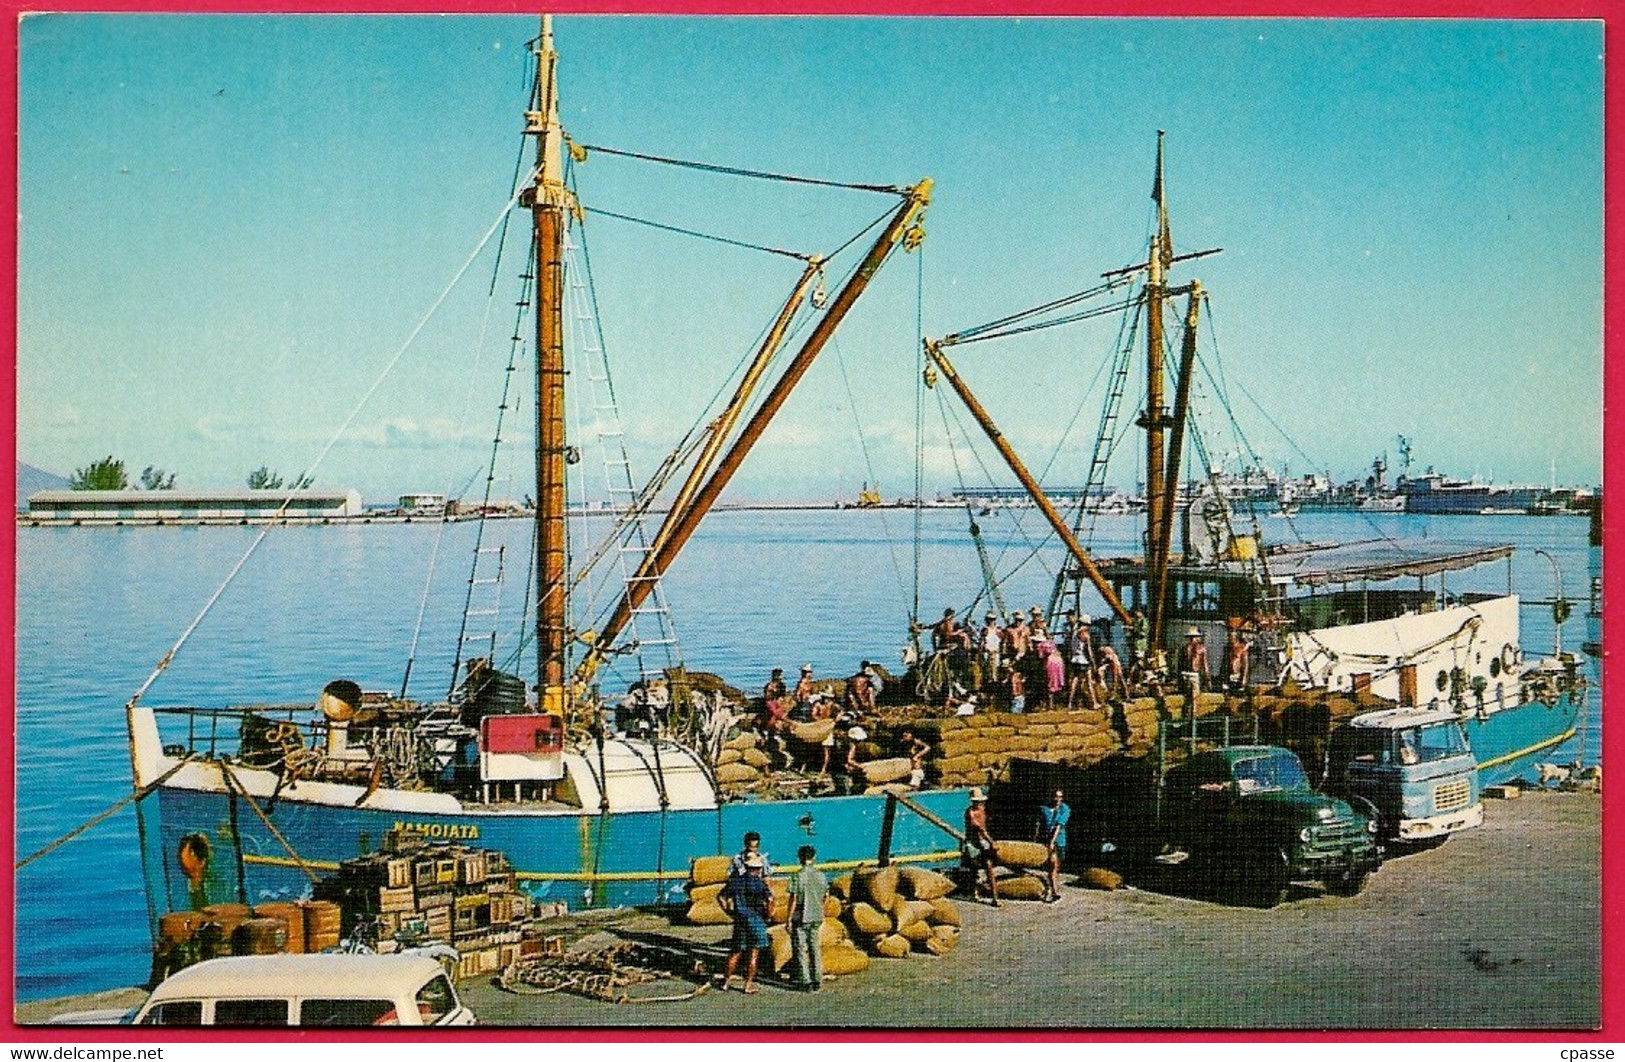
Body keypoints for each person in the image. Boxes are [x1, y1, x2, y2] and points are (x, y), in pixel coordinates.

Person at [718, 855, 774, 994]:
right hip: (756, 921)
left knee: (735, 953)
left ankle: (726, 982)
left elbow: (721, 897)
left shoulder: (735, 882)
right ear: (758, 869)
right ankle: (748, 984)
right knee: (753, 954)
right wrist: (768, 915)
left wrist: (728, 911)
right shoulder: (760, 884)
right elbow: (770, 900)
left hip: (740, 920)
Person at [785, 845, 828, 992]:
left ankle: (806, 981)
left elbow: (794, 899)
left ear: (799, 859)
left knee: (801, 949)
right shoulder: (821, 876)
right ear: (814, 857)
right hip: (817, 916)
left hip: (801, 916)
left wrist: (788, 919)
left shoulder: (797, 876)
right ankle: (817, 979)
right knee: (815, 947)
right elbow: (825, 896)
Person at [963, 788, 1000, 906]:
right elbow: (980, 829)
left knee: (989, 867)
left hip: (983, 841)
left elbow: (984, 828)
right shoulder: (970, 813)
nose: (979, 803)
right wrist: (991, 841)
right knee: (974, 869)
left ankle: (995, 897)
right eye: (976, 801)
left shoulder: (983, 810)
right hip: (973, 842)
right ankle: (975, 891)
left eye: (979, 801)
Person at [1036, 788, 1070, 903]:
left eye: (1060, 797)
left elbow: (1059, 826)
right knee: (1053, 865)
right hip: (1047, 839)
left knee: (1055, 866)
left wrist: (1052, 841)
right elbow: (1040, 824)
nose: (1057, 799)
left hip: (1059, 840)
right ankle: (1054, 891)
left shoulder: (1065, 809)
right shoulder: (1044, 809)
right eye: (1056, 796)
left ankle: (1051, 887)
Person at [1066, 612, 1099, 711]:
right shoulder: (1085, 634)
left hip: (1075, 659)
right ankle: (1094, 703)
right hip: (1083, 660)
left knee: (1075, 680)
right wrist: (1093, 662)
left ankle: (1070, 703)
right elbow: (1089, 650)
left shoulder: (1074, 633)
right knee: (1089, 681)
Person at [1181, 627, 1210, 700]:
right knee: (1195, 698)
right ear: (1196, 637)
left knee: (1186, 697)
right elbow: (1205, 665)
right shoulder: (1201, 648)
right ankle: (1194, 711)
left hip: (1185, 673)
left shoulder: (1185, 648)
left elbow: (1180, 663)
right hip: (1194, 674)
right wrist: (1208, 679)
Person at [978, 613, 1003, 694]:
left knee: (995, 672)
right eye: (989, 619)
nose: (991, 621)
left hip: (996, 653)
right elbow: (982, 642)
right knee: (988, 672)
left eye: (993, 619)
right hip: (987, 653)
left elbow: (1002, 642)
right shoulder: (985, 630)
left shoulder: (998, 630)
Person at [1225, 622, 1252, 692]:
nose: (1229, 639)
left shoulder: (1241, 648)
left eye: (1230, 637)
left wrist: (1244, 678)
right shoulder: (1228, 649)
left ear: (1235, 638)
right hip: (1230, 676)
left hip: (1238, 675)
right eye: (1228, 637)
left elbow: (1245, 665)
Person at [1039, 640, 1066, 710]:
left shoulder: (1041, 645)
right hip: (1059, 661)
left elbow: (1041, 656)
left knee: (1051, 682)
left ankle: (1051, 704)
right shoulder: (1051, 642)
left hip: (1051, 662)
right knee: (1057, 682)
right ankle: (1056, 704)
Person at [1125, 607, 1148, 672]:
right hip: (1135, 644)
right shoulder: (1135, 620)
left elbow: (1143, 631)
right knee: (1134, 661)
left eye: (1137, 612)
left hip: (1140, 645)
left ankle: (1145, 672)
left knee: (1138, 660)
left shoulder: (1143, 621)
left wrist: (1132, 628)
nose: (1136, 614)